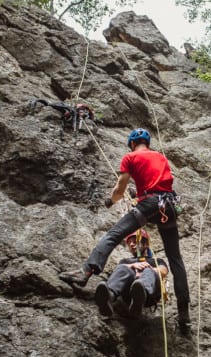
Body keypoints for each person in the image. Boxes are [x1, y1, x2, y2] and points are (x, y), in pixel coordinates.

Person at [59, 128, 191, 332]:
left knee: (114, 235)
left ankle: (86, 271)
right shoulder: (160, 157)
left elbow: (120, 189)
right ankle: (184, 314)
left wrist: (110, 201)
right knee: (175, 259)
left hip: (148, 204)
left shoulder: (130, 157)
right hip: (169, 206)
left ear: (131, 143)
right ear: (147, 143)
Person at [95, 229, 168, 318]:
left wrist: (147, 269)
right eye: (129, 243)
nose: (131, 244)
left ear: (146, 244)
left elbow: (164, 271)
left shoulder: (156, 261)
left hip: (150, 296)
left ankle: (141, 293)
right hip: (128, 293)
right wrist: (133, 265)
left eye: (135, 241)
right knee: (123, 268)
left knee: (148, 271)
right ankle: (109, 296)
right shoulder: (126, 261)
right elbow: (118, 271)